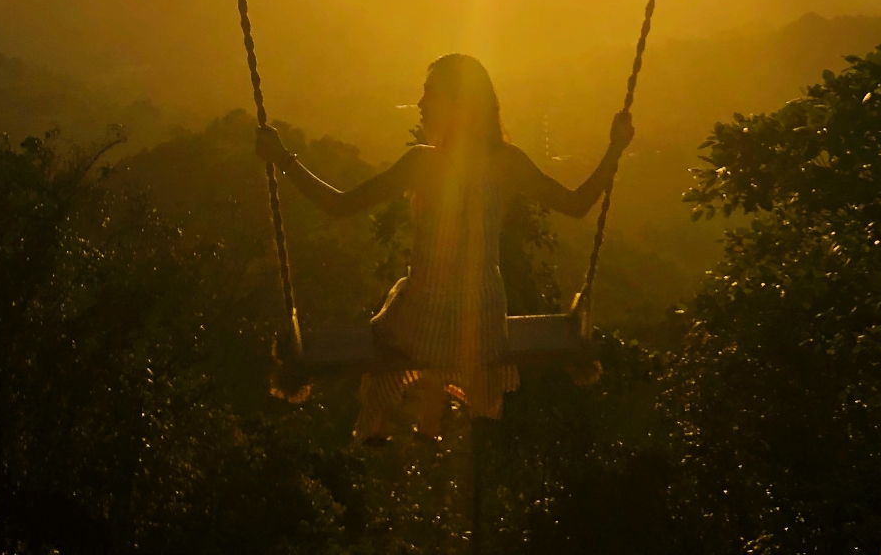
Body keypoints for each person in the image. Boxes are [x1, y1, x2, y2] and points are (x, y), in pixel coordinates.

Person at [255, 52, 633, 442]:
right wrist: (615, 149)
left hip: (423, 326)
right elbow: (577, 204)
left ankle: (382, 423)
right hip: (483, 328)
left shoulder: (421, 164)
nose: (420, 104)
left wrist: (283, 158)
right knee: (435, 320)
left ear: (459, 105)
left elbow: (339, 205)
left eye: (429, 93)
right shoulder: (507, 161)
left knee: (387, 328)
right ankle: (431, 424)